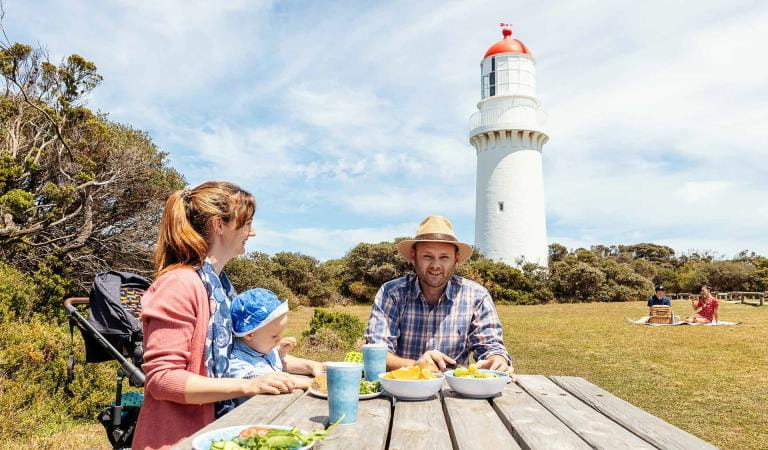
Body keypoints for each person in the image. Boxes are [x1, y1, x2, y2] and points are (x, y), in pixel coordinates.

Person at [133, 181, 296, 450]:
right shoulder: (180, 284)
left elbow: (245, 349)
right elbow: (163, 380)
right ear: (219, 225)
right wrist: (248, 386)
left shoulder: (219, 287)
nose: (251, 232)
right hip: (179, 440)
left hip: (217, 433)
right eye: (245, 223)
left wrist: (312, 366)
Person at [364, 215, 514, 377]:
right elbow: (376, 354)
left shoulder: (477, 296)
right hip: (400, 391)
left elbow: (490, 346)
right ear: (414, 258)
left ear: (456, 259)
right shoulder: (391, 293)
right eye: (427, 256)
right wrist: (418, 366)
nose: (435, 266)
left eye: (444, 257)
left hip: (455, 394)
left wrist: (497, 360)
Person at [228, 288, 325, 406]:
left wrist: (311, 366)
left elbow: (281, 362)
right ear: (249, 334)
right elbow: (268, 380)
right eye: (274, 336)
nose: (279, 339)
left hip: (277, 407)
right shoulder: (237, 361)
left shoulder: (260, 348)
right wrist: (312, 383)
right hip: (254, 415)